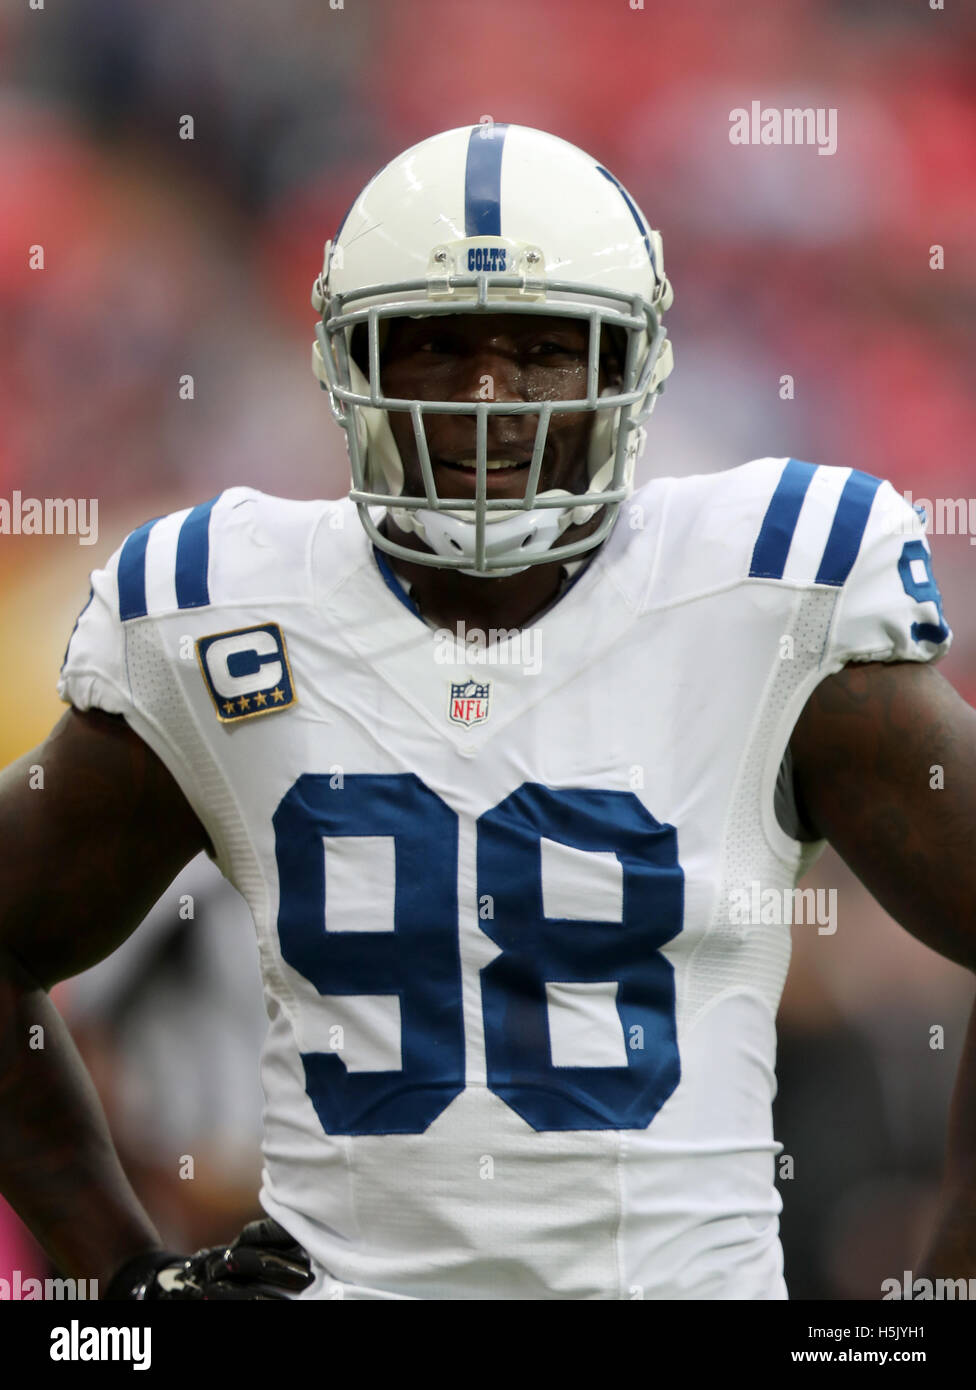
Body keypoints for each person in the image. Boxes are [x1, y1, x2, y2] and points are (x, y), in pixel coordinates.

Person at [0, 123, 973, 1301]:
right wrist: (124, 1279)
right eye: (432, 344)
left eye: (541, 349)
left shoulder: (763, 596)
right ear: (345, 360)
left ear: (633, 366)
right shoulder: (219, 614)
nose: (484, 398)